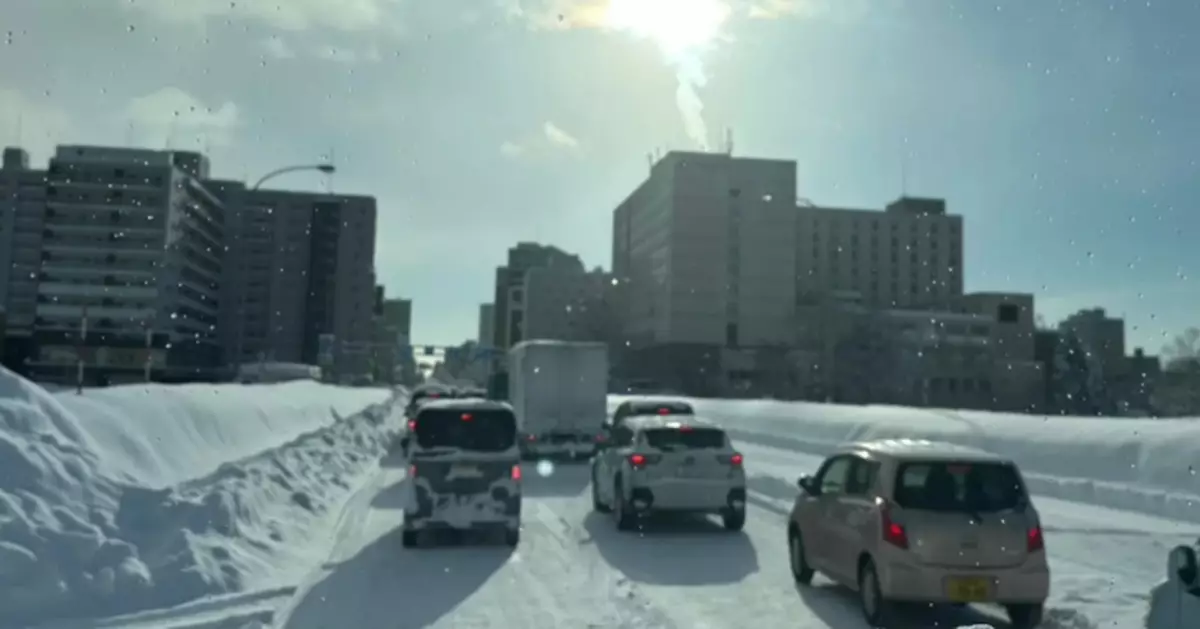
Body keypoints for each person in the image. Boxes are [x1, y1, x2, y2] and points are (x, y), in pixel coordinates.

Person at [1145, 542, 1200, 628]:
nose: (1187, 573)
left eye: (1190, 567)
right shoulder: (1161, 594)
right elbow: (1152, 623)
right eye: (1183, 568)